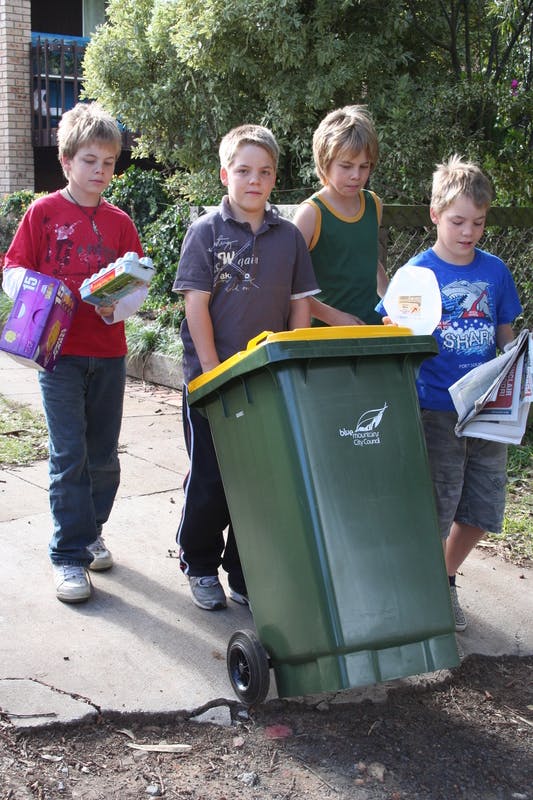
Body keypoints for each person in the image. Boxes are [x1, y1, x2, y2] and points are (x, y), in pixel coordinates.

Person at [2, 102, 147, 604]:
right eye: (89, 160)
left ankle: (89, 532)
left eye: (108, 162)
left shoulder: (121, 222)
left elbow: (138, 286)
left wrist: (120, 305)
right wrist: (44, 289)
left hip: (109, 352)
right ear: (66, 162)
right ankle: (68, 555)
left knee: (104, 456)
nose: (100, 171)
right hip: (58, 355)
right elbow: (13, 268)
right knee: (69, 455)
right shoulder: (43, 213)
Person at [173, 124, 319, 611]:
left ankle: (243, 570)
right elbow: (196, 306)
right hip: (213, 386)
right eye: (243, 171)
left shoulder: (290, 238)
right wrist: (213, 373)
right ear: (224, 175)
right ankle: (198, 563)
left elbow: (300, 306)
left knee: (259, 483)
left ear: (275, 178)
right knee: (212, 480)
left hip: (267, 385)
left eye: (264, 172)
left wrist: (291, 364)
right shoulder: (205, 233)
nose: (253, 180)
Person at [380, 155, 522, 631]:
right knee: (436, 508)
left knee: (483, 507)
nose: (468, 231)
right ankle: (421, 589)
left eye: (478, 222)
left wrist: (518, 374)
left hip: (489, 411)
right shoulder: (417, 274)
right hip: (436, 408)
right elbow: (393, 332)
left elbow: (506, 335)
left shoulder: (496, 271)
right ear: (435, 215)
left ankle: (442, 576)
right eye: (458, 220)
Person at [293, 105, 389, 326]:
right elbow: (290, 286)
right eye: (346, 166)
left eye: (364, 166)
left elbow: (369, 260)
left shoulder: (374, 204)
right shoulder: (310, 214)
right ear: (325, 162)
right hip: (325, 338)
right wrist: (334, 317)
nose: (356, 175)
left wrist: (391, 300)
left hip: (370, 329)